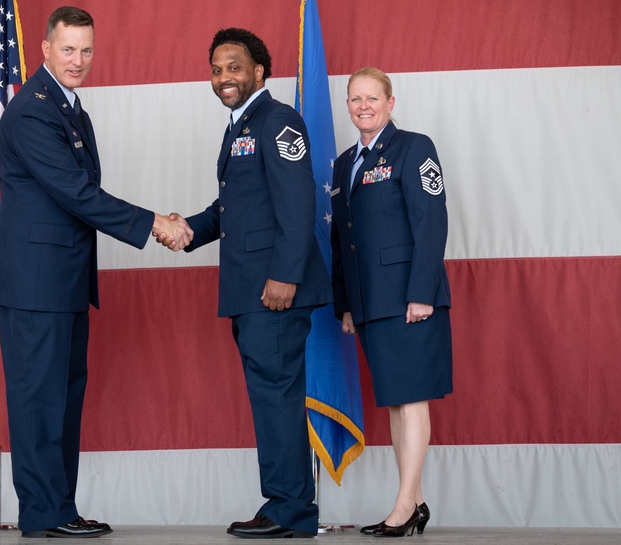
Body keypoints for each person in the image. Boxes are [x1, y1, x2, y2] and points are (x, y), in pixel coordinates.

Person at [0, 6, 192, 538]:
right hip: (35, 283)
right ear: (46, 49)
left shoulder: (71, 111)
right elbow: (77, 194)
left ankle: (62, 509)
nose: (78, 60)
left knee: (63, 398)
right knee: (38, 401)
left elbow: (80, 197)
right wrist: (154, 224)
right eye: (69, 49)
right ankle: (41, 515)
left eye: (86, 50)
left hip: (64, 281)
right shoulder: (32, 111)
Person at [177, 27, 331, 539]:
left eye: (235, 66)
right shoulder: (238, 126)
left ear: (259, 70)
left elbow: (298, 201)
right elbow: (233, 208)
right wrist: (186, 231)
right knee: (269, 397)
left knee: (278, 396)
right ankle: (283, 504)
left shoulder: (277, 120)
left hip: (274, 292)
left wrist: (285, 276)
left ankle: (291, 510)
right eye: (217, 68)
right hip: (250, 292)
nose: (224, 77)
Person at [329, 67, 453, 537]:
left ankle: (402, 507)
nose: (363, 106)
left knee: (412, 401)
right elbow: (343, 240)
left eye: (372, 99)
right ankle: (415, 502)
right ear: (348, 105)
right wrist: (346, 304)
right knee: (397, 405)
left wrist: (422, 293)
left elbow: (431, 221)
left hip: (408, 299)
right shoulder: (344, 164)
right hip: (370, 304)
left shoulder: (414, 148)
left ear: (390, 102)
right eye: (355, 99)